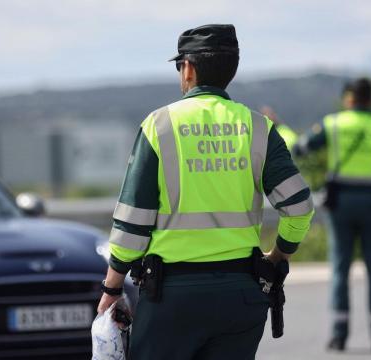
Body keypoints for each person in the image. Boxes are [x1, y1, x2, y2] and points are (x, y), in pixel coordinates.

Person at [97, 24, 314, 359]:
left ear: (189, 68)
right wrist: (279, 254)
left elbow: (132, 226)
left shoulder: (159, 126)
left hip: (171, 300)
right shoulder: (259, 127)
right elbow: (299, 207)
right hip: (240, 297)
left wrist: (112, 288)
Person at [293, 78, 371, 352]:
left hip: (341, 205)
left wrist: (279, 130)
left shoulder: (333, 124)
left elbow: (301, 148)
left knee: (339, 269)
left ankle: (338, 336)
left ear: (348, 99)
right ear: (370, 100)